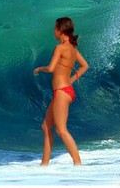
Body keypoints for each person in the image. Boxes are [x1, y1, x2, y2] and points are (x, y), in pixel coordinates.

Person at [33, 17, 89, 166]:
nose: (53, 31)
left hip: (61, 92)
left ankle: (78, 164)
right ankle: (44, 165)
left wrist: (39, 68)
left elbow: (51, 68)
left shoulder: (60, 47)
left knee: (61, 130)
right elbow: (85, 66)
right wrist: (70, 81)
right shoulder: (73, 48)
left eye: (54, 28)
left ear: (60, 30)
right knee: (46, 126)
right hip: (65, 91)